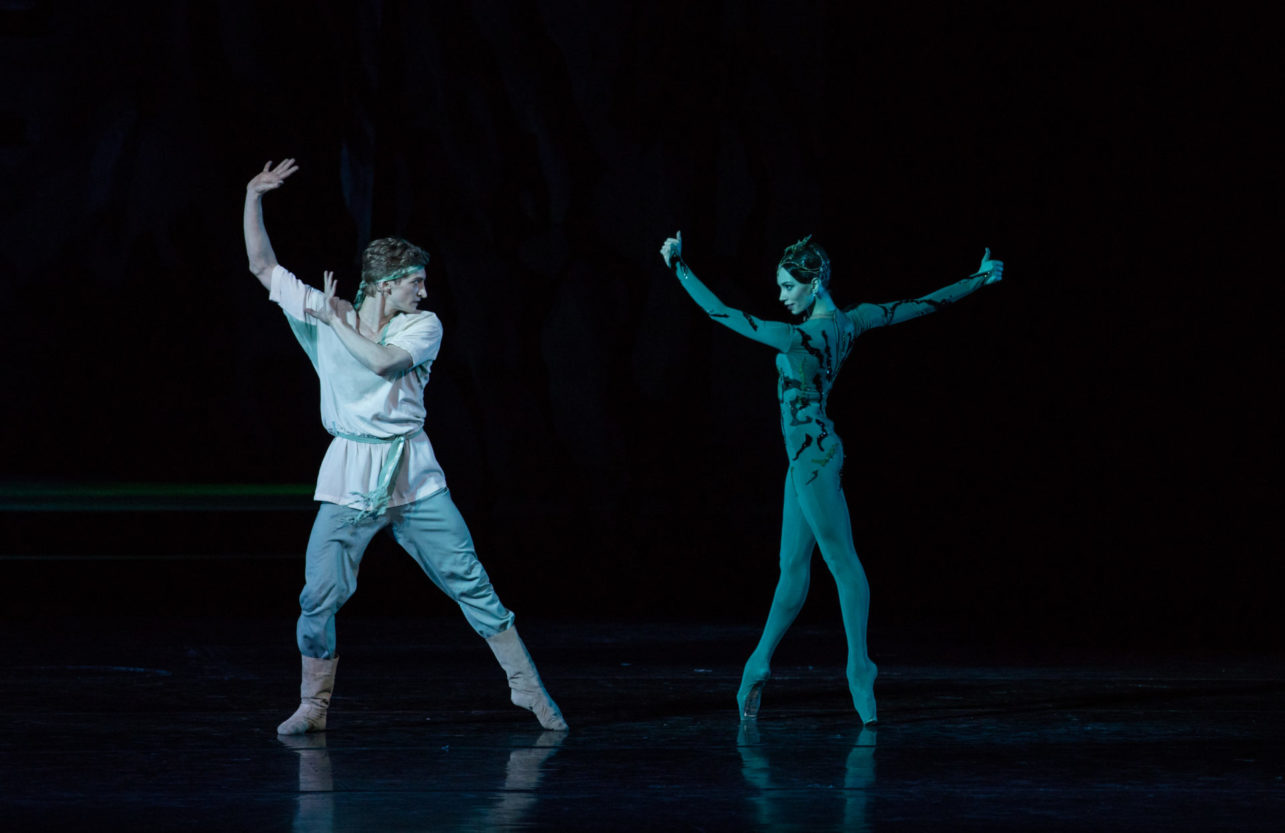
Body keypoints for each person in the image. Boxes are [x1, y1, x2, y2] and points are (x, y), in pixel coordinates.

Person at [243, 158, 567, 734]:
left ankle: (526, 685)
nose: (424, 290)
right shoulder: (328, 312)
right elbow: (263, 266)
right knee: (318, 596)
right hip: (350, 473)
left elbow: (384, 363)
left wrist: (335, 322)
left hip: (412, 473)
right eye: (415, 281)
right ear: (386, 283)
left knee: (469, 579)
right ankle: (314, 705)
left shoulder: (422, 326)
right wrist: (254, 197)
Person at [658, 231, 1002, 724]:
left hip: (815, 458)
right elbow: (922, 304)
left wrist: (679, 265)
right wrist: (977, 279)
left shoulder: (799, 337)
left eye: (788, 286)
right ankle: (758, 663)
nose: (782, 296)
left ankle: (860, 666)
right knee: (792, 568)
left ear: (814, 282)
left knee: (842, 562)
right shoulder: (852, 321)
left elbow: (720, 313)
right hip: (805, 458)